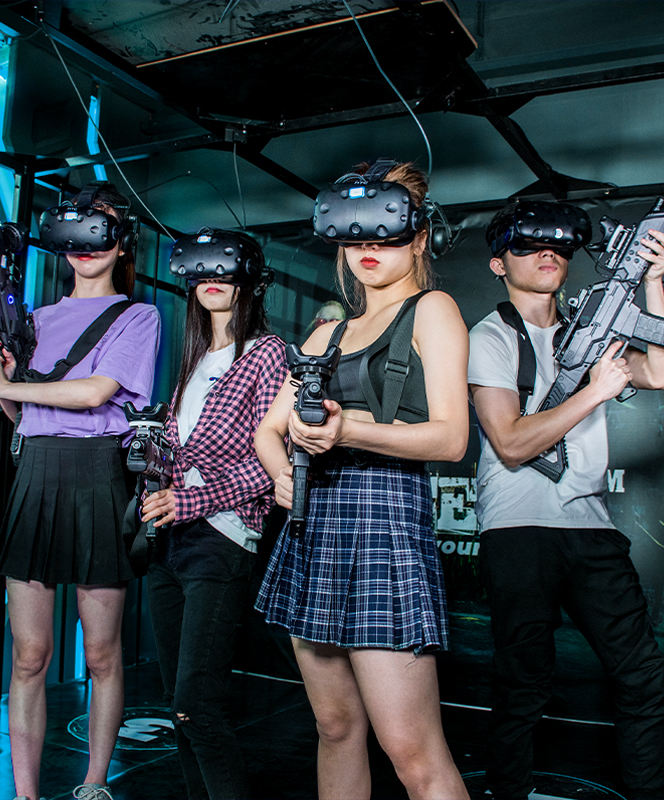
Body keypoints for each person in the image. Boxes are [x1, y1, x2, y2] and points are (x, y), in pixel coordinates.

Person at [254, 160, 470, 800]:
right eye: (353, 237)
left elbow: (451, 438)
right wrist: (281, 475)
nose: (367, 249)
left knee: (412, 754)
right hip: (314, 526)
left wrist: (348, 430)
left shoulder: (431, 310)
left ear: (420, 237)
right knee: (335, 726)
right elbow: (270, 430)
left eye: (386, 234)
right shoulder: (328, 331)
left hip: (384, 524)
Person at [467, 199, 664, 800]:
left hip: (592, 527)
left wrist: (655, 285)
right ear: (499, 264)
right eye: (526, 246)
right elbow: (510, 442)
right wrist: (594, 392)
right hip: (518, 529)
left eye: (557, 246)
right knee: (523, 684)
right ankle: (509, 792)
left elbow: (659, 372)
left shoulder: (591, 325)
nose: (546, 254)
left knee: (644, 676)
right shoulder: (490, 335)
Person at [0, 184, 161, 800]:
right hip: (35, 473)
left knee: (102, 654)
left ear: (121, 242)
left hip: (97, 475)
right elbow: (22, 416)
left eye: (99, 228)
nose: (85, 242)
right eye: (75, 228)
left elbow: (94, 393)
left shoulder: (139, 316)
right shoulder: (33, 320)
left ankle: (94, 783)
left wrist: (11, 387)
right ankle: (24, 793)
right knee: (29, 655)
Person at [140, 228, 287, 799]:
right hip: (169, 541)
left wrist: (190, 499)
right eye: (200, 271)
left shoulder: (266, 352)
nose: (211, 280)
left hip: (222, 538)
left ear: (249, 280)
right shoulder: (196, 357)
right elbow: (185, 452)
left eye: (223, 270)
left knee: (198, 706)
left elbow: (271, 463)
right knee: (178, 708)